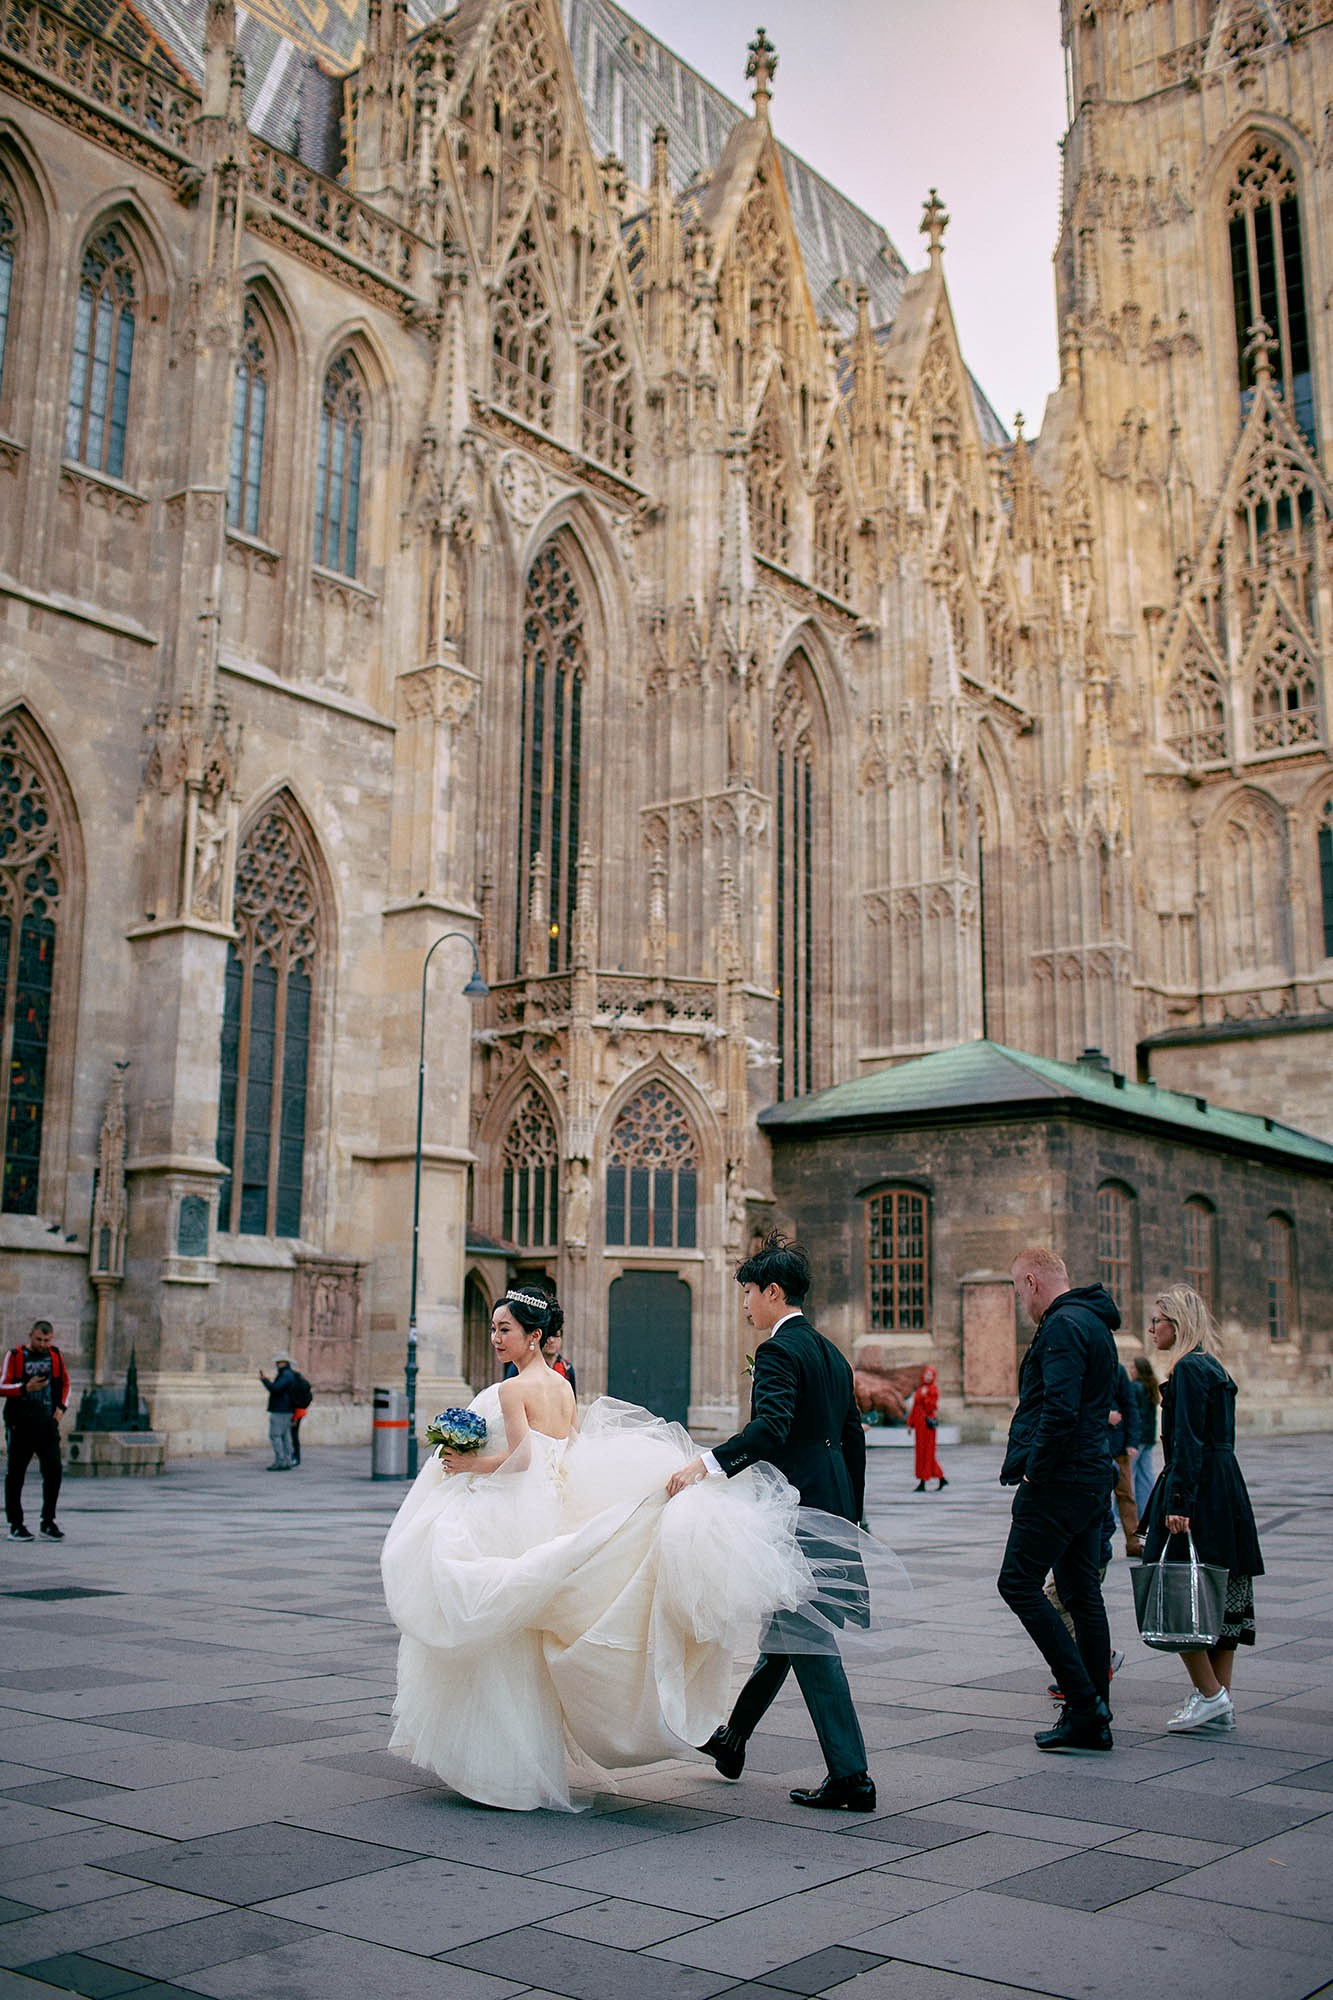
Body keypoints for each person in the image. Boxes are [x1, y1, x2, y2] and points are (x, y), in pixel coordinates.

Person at [381, 1285, 844, 1813]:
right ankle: (545, 1752)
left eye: (504, 1329)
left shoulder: (511, 1390)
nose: (495, 1338)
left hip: (513, 1504)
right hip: (549, 1504)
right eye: (492, 1328)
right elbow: (572, 1448)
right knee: (532, 1625)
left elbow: (521, 1459)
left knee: (503, 1622)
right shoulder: (562, 1387)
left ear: (533, 1336)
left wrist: (470, 1464)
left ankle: (500, 1759)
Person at [666, 1231, 877, 1813]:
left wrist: (706, 1464)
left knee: (807, 1636)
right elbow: (853, 1440)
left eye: (748, 1292)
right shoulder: (830, 1352)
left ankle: (852, 1776)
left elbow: (770, 1428)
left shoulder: (780, 1351)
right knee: (786, 1627)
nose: (744, 1304)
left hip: (798, 1507)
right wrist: (853, 1515)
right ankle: (733, 1738)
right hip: (831, 1502)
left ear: (774, 1292)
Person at [998, 1246, 1119, 1753]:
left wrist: (1035, 1472)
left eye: (1017, 1290)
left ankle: (1085, 1703)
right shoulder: (1093, 1322)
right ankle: (1092, 1716)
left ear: (1031, 1282)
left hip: (1061, 1481)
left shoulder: (1063, 1326)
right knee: (1080, 1591)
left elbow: (1060, 1410)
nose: (1020, 1302)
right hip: (1091, 1476)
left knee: (1017, 1583)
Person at [1139, 1287, 1264, 1734]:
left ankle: (1210, 1695)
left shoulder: (1189, 1368)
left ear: (1177, 1324)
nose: (1151, 1329)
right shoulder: (1212, 1365)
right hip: (1223, 1488)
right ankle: (1219, 1700)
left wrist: (1179, 1502)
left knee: (1173, 1588)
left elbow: (1188, 1440)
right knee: (1221, 1589)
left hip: (1196, 1488)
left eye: (1157, 1321)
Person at [2, 1320, 70, 1541]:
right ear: (30, 1335)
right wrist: (24, 1388)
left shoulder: (55, 1356)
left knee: (53, 1471)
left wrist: (61, 1409)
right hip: (20, 1424)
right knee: (16, 1474)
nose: (42, 1344)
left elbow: (65, 1383)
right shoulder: (15, 1355)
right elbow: (2, 1386)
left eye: (46, 1340)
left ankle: (48, 1521)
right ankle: (16, 1524)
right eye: (39, 1339)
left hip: (46, 1423)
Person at [1108, 1360, 1143, 1556]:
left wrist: (1132, 1441)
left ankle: (1133, 1541)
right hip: (1094, 1445)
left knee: (1126, 1495)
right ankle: (1097, 1544)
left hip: (1117, 1445)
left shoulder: (1117, 1370)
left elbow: (1130, 1406)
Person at [907, 1365, 947, 1492]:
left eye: (930, 1375)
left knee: (927, 1453)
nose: (928, 1377)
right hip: (919, 1426)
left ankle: (923, 1481)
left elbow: (932, 1407)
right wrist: (910, 1424)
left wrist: (925, 1396)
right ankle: (940, 1478)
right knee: (921, 1453)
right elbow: (914, 1407)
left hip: (927, 1426)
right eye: (926, 1374)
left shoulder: (933, 1390)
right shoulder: (920, 1389)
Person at [1130, 1352, 1160, 1518]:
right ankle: (1147, 1512)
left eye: (1133, 1368)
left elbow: (1134, 1414)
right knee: (1146, 1476)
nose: (1130, 1370)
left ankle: (1126, 1514)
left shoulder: (1135, 1387)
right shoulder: (1151, 1387)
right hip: (1148, 1437)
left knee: (1129, 1476)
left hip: (1137, 1438)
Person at [259, 1356, 298, 1469]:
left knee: (275, 1435)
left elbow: (275, 1388)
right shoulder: (289, 1374)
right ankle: (287, 1460)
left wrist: (265, 1380)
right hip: (286, 1409)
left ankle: (281, 1461)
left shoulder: (285, 1375)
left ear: (283, 1363)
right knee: (285, 1437)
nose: (276, 1364)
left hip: (281, 1410)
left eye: (278, 1362)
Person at [289, 1364, 313, 1466]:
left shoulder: (295, 1384)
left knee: (293, 1435)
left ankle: (295, 1456)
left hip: (295, 1412)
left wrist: (294, 1418)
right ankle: (296, 1456)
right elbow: (309, 1397)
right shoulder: (304, 1382)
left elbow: (294, 1400)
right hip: (301, 1411)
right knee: (294, 1435)